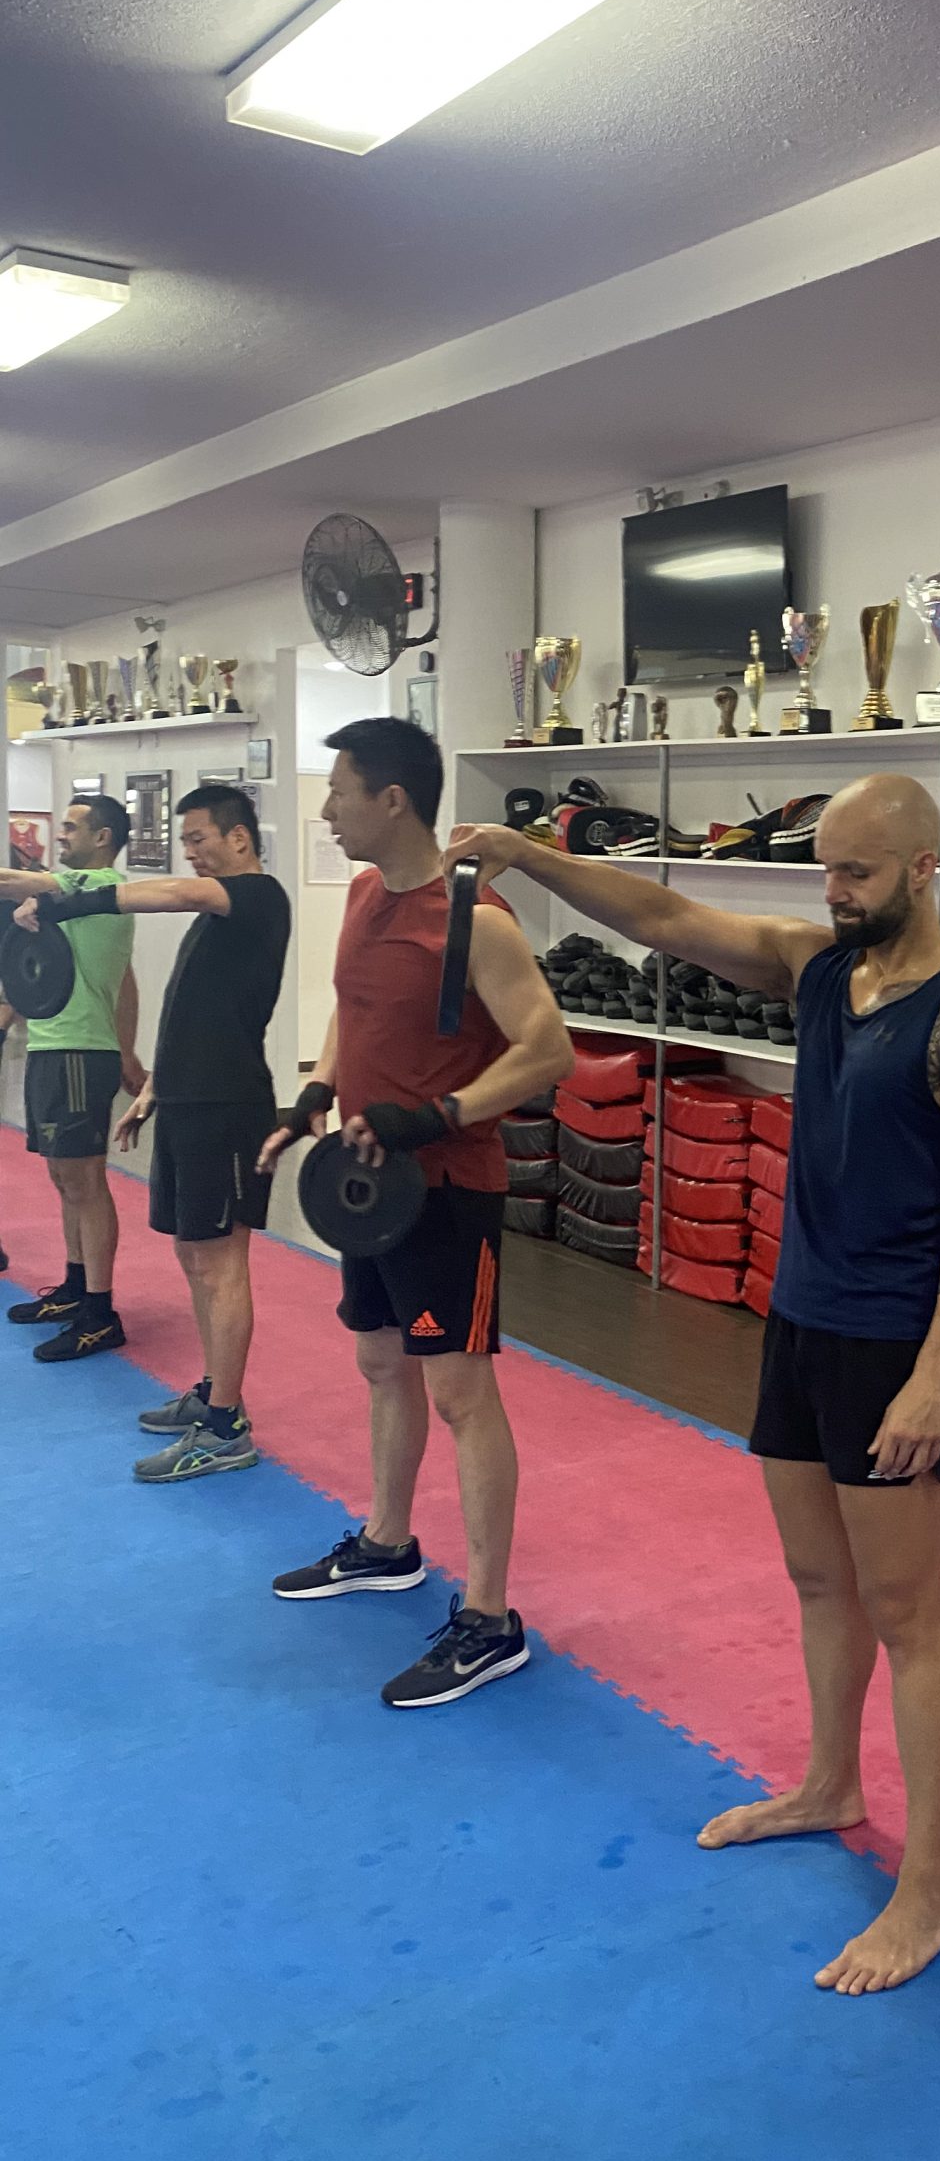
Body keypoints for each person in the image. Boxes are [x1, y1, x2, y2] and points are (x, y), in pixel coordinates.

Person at [446, 774, 940, 1992]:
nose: (835, 893)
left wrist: (937, 1373)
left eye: (857, 873)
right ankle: (830, 1781)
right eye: (827, 871)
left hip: (893, 1346)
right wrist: (529, 852)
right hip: (801, 1321)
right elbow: (664, 917)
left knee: (908, 1612)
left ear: (923, 868)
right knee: (819, 1580)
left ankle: (929, 1882)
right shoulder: (820, 969)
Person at [259, 719, 572, 1709]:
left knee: (461, 1393)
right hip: (370, 1188)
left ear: (391, 799)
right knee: (380, 1361)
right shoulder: (364, 894)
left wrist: (439, 1114)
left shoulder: (476, 919)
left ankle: (490, 1619)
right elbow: (353, 1008)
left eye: (338, 791)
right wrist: (318, 1089)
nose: (326, 809)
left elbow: (547, 1050)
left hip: (448, 1190)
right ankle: (389, 1543)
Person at [19, 785, 292, 1480]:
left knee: (221, 1263)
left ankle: (226, 1429)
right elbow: (195, 1013)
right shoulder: (216, 918)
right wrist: (152, 1091)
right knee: (194, 1257)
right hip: (188, 1102)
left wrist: (68, 902)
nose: (190, 853)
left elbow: (172, 894)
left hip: (229, 1106)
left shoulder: (257, 896)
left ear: (239, 837)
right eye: (186, 841)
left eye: (199, 838)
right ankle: (216, 1391)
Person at [0, 796, 143, 1360]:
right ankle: (76, 1287)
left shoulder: (100, 886)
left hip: (81, 1051)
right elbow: (126, 979)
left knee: (85, 1180)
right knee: (64, 1177)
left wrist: (122, 1051)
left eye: (71, 828)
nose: (60, 836)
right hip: (50, 1044)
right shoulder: (74, 901)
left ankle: (100, 1313)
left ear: (103, 838)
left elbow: (17, 881)